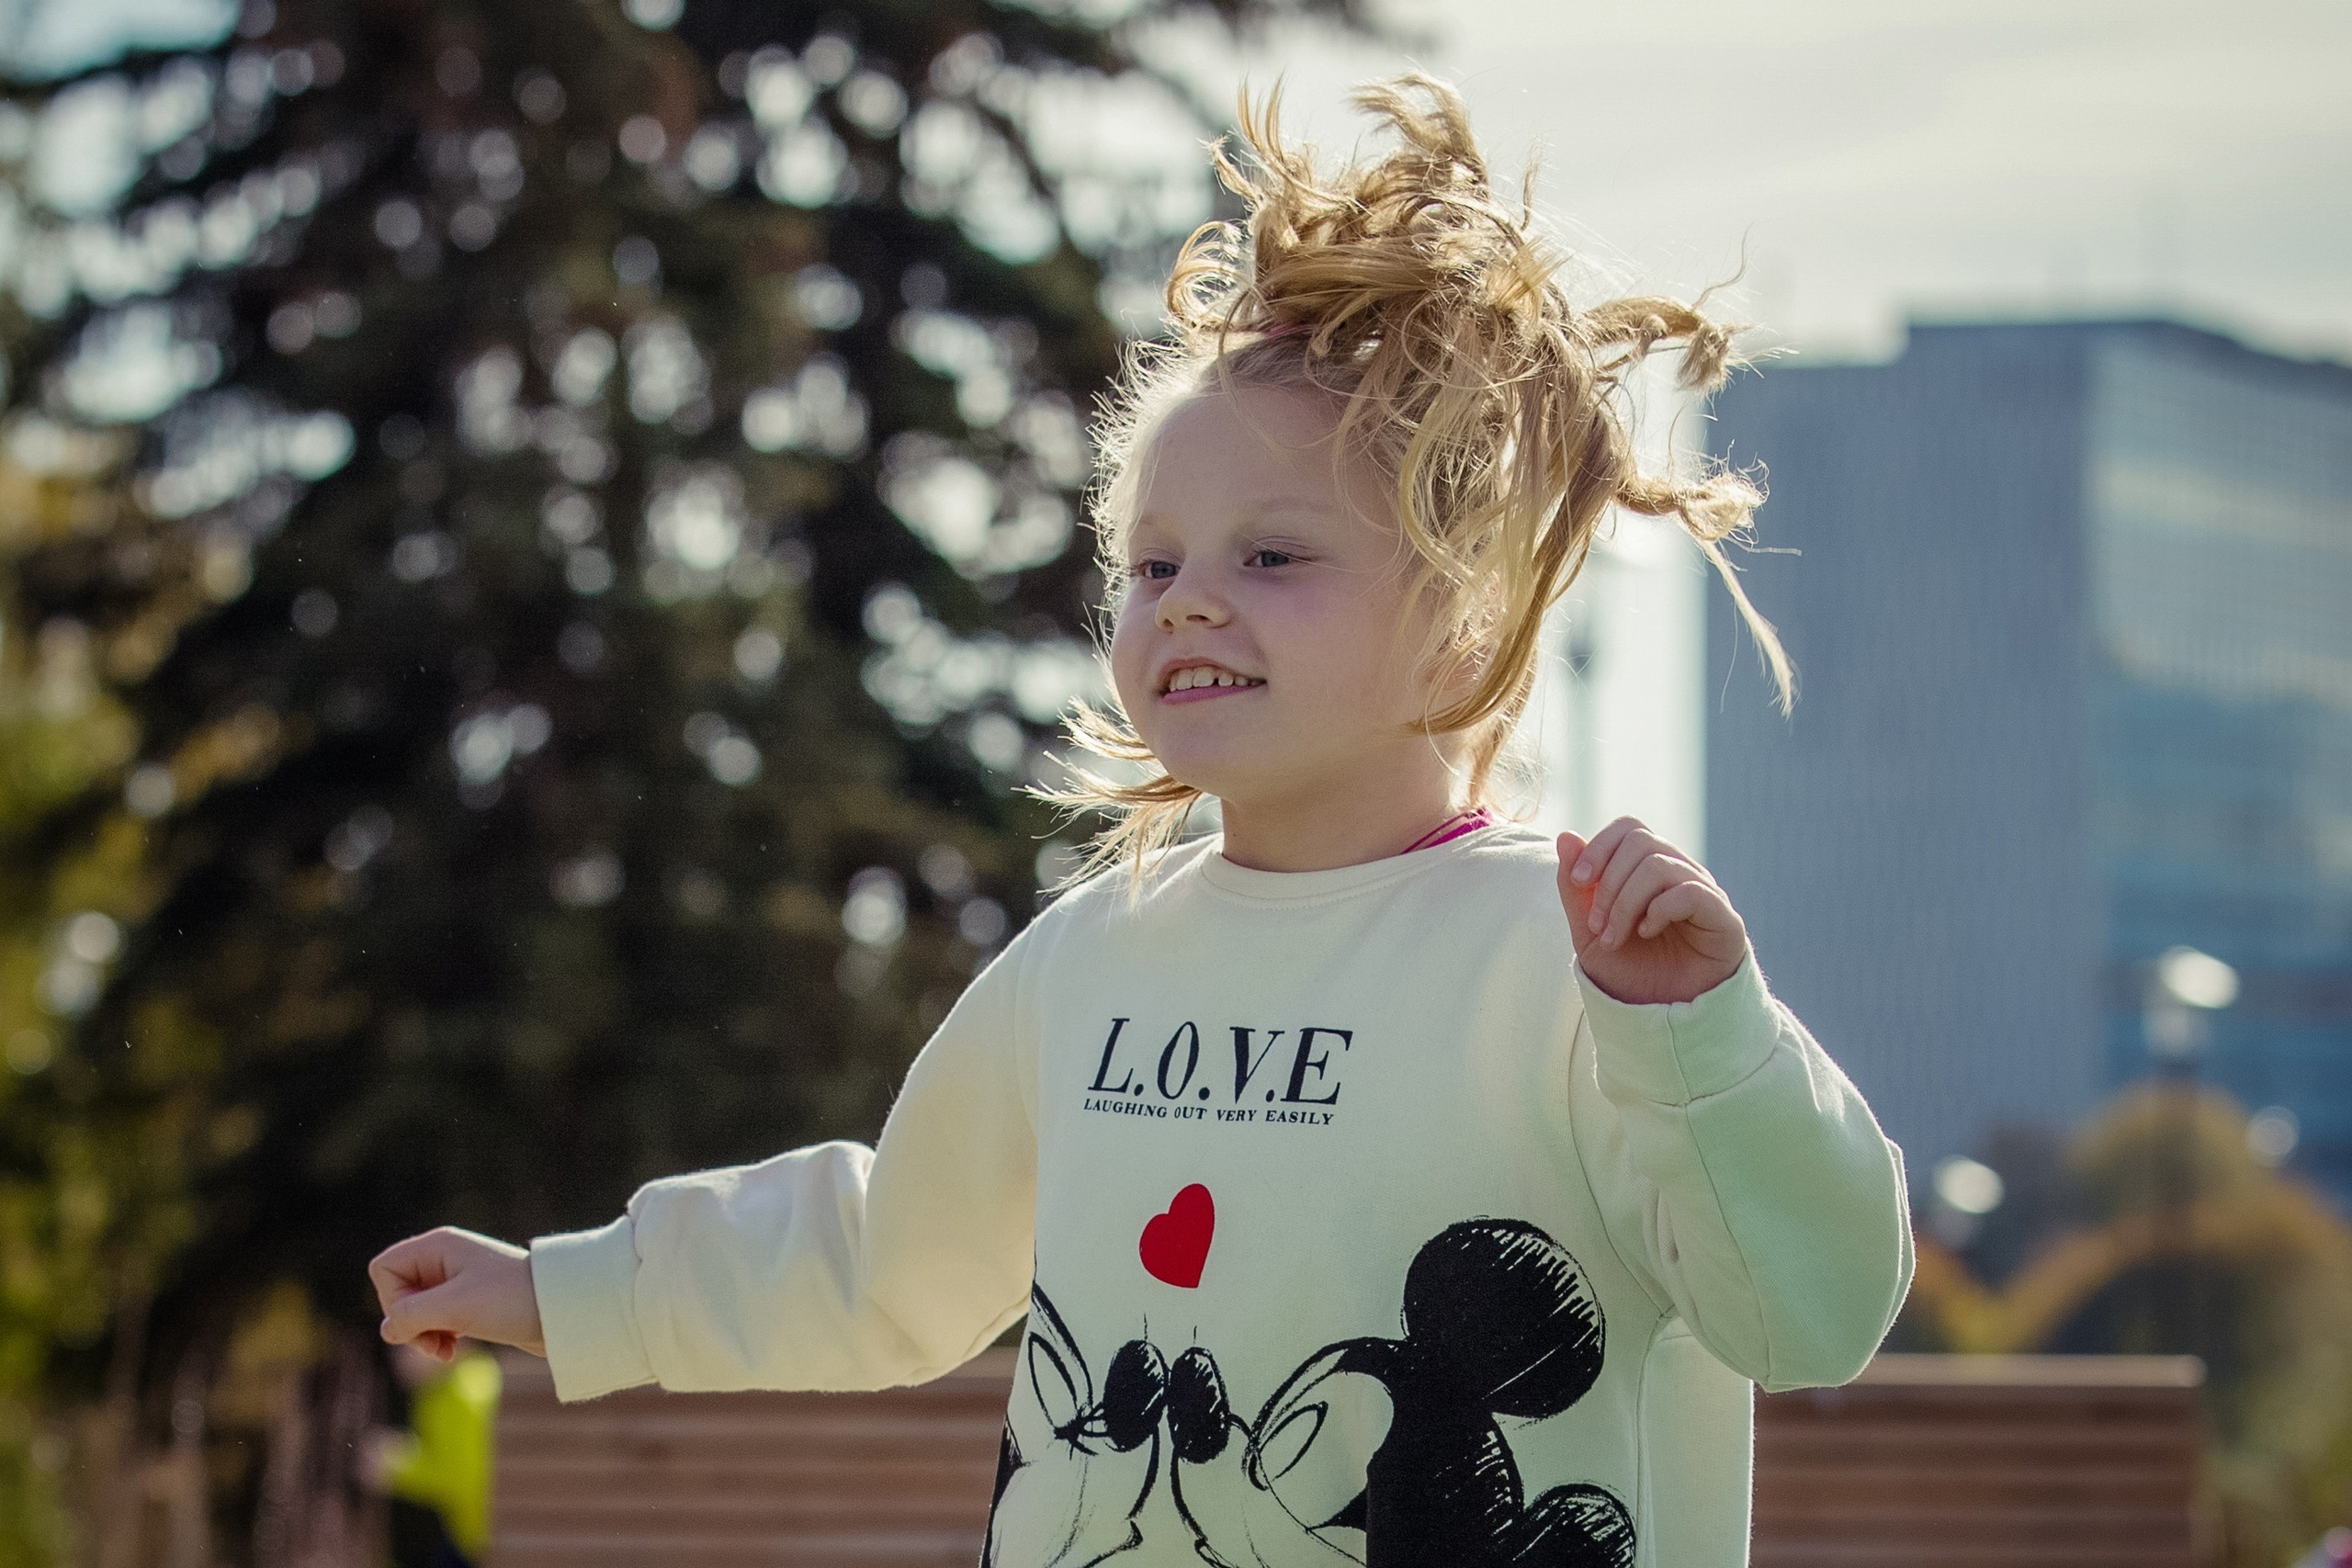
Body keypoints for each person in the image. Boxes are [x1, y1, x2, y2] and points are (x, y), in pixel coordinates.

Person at [369, 74, 1912, 1566]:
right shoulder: (1091, 958)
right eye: (1156, 562)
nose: (1192, 603)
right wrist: (574, 1293)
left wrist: (1700, 1044)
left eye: (1275, 557)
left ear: (1456, 624)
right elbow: (883, 1255)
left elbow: (1810, 1311)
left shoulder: (1580, 969)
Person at [363, 1341, 501, 1568]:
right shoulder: (447, 1386)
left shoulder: (466, 1391)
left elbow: (463, 1481)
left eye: (407, 1346)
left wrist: (398, 1469)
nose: (397, 1356)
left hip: (486, 1544)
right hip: (471, 1538)